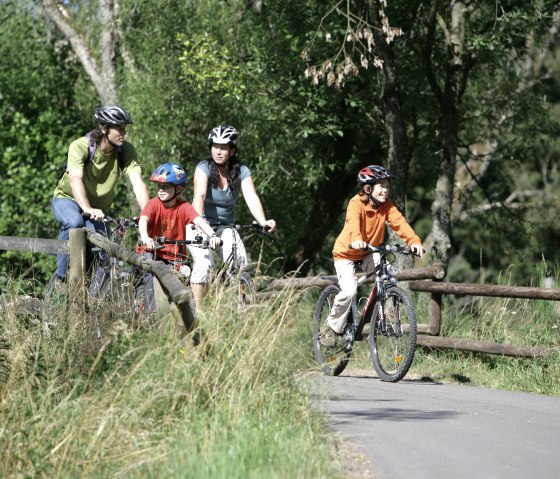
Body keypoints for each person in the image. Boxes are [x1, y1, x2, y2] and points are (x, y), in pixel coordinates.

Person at [320, 165, 424, 347]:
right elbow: (352, 224)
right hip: (346, 252)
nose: (385, 190)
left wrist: (414, 242)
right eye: (381, 186)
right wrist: (357, 239)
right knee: (350, 290)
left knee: (386, 277)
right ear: (368, 189)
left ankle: (384, 316)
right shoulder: (356, 203)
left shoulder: (387, 207)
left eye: (387, 186)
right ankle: (331, 327)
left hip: (369, 251)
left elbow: (400, 223)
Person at [51, 104, 150, 283]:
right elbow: (75, 179)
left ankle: (94, 293)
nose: (124, 133)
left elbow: (138, 183)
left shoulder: (125, 150)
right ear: (104, 128)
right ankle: (61, 279)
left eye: (124, 128)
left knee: (107, 245)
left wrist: (147, 215)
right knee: (74, 222)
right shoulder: (80, 146)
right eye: (119, 128)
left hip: (97, 210)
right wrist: (87, 208)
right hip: (67, 199)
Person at [186, 124, 276, 310]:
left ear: (232, 150)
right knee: (204, 264)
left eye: (224, 147)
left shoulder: (241, 171)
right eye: (215, 146)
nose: (218, 151)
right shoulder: (203, 168)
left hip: (226, 227)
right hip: (199, 224)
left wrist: (263, 222)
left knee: (239, 265)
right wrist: (206, 231)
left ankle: (239, 311)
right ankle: (199, 315)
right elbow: (199, 197)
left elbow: (251, 196)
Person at [136, 163, 221, 313]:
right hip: (152, 250)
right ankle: (150, 312)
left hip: (174, 256)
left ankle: (187, 315)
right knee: (149, 268)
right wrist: (145, 237)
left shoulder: (184, 207)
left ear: (178, 189)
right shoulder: (153, 204)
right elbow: (143, 220)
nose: (161, 190)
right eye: (159, 187)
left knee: (185, 276)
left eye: (166, 187)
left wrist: (213, 235)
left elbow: (199, 221)